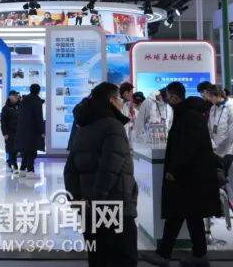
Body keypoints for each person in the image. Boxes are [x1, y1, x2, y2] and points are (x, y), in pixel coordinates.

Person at [142, 82, 222, 267]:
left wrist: (174, 169)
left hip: (188, 176)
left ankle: (168, 254)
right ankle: (196, 255)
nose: (166, 100)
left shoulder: (189, 116)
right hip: (190, 176)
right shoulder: (187, 113)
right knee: (188, 215)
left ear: (175, 97)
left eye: (168, 96)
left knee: (180, 213)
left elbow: (188, 147)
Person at [64, 82, 138, 267]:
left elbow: (70, 169)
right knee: (123, 257)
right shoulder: (113, 126)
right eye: (119, 98)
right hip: (114, 204)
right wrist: (98, 199)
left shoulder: (84, 126)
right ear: (111, 100)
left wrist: (78, 199)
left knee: (98, 257)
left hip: (90, 208)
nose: (122, 102)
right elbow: (110, 167)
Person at [206, 86, 233, 217]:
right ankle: (223, 207)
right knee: (222, 180)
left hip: (232, 150)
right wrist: (213, 145)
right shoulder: (213, 108)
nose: (208, 99)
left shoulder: (232, 108)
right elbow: (210, 128)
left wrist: (222, 148)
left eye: (210, 96)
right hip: (217, 150)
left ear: (217, 95)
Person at [16, 83, 45, 177]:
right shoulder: (36, 101)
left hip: (22, 130)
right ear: (38, 91)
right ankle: (30, 171)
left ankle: (22, 170)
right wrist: (42, 131)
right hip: (33, 130)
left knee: (25, 150)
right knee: (32, 151)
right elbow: (38, 117)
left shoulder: (23, 100)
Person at [0, 90, 22, 171]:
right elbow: (3, 122)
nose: (16, 97)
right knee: (12, 150)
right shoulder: (5, 108)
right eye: (15, 96)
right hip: (9, 132)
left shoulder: (20, 106)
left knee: (16, 150)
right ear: (10, 97)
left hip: (18, 132)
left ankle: (9, 162)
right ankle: (15, 167)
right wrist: (5, 133)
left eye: (17, 96)